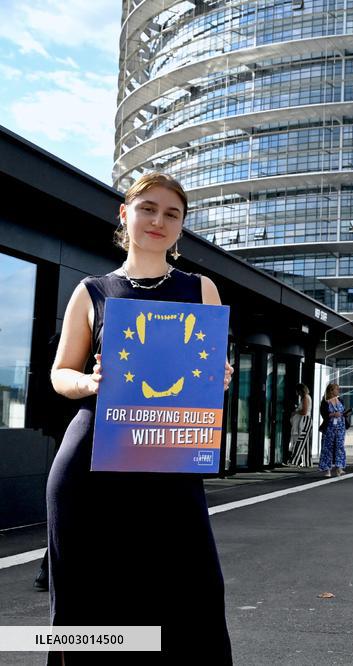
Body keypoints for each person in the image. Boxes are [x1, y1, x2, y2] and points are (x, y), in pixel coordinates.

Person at [46, 172, 234, 663]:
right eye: (147, 208)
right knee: (90, 601)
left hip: (170, 464)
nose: (158, 220)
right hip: (92, 467)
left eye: (172, 213)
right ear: (124, 215)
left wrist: (220, 376)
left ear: (181, 227)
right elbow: (61, 372)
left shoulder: (202, 289)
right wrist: (90, 383)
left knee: (192, 596)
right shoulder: (93, 291)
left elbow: (209, 373)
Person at [318, 382, 349, 477]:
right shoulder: (325, 401)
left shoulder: (340, 400)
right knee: (327, 448)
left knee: (340, 447)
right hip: (329, 427)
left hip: (340, 427)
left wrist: (345, 414)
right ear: (331, 390)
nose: (338, 391)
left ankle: (339, 467)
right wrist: (333, 414)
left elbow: (342, 411)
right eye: (336, 389)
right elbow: (324, 414)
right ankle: (327, 469)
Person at [289, 383, 312, 465]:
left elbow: (304, 411)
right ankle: (307, 462)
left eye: (297, 391)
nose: (296, 392)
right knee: (305, 442)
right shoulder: (306, 397)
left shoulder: (305, 397)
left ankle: (294, 461)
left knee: (300, 441)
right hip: (306, 421)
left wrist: (295, 411)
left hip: (304, 421)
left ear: (300, 390)